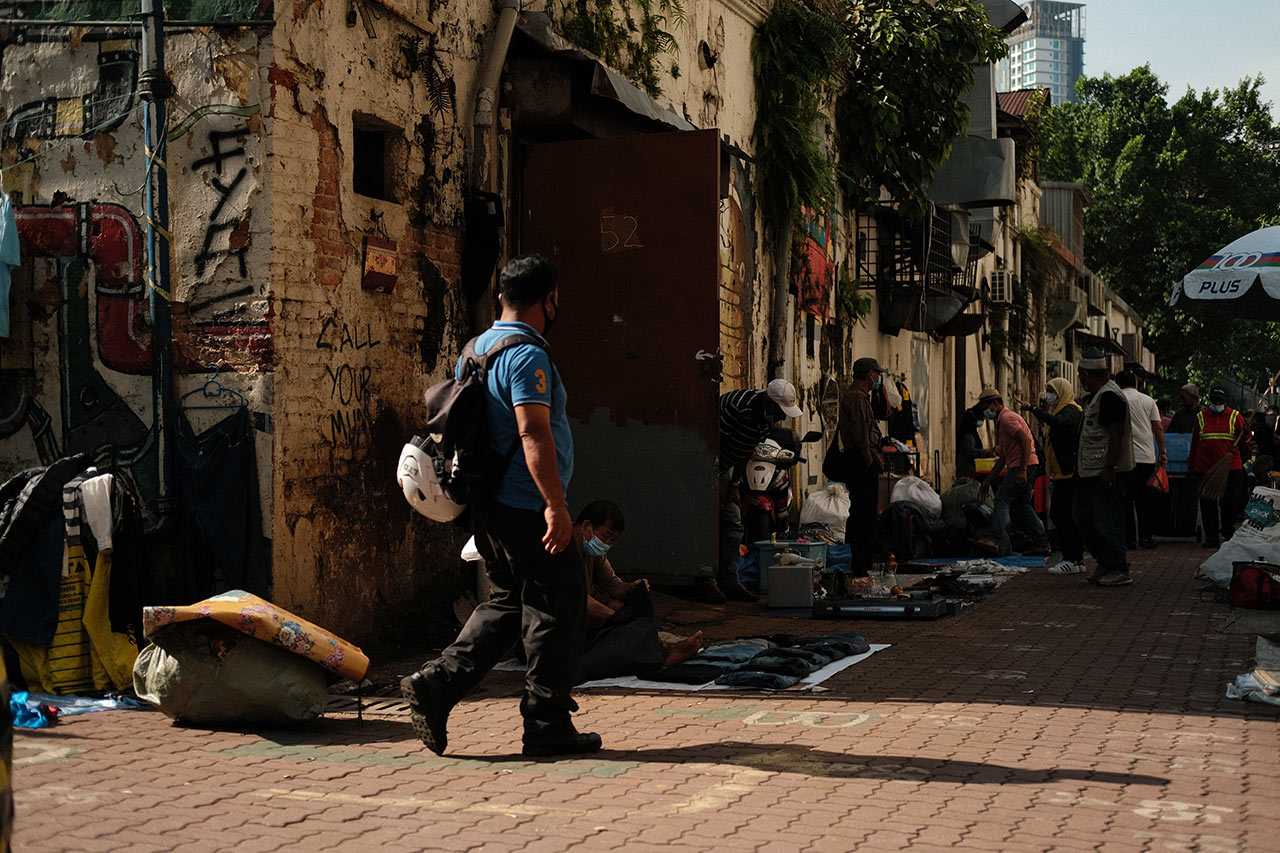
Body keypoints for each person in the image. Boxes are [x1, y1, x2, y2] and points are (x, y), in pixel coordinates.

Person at [401, 254, 601, 759]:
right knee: (559, 604)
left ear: (501, 298)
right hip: (524, 506)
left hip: (489, 507)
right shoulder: (526, 355)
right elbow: (532, 430)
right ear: (548, 299)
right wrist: (555, 506)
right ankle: (547, 724)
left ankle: (438, 685)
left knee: (510, 604)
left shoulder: (475, 350)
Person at [573, 500, 703, 680]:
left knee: (624, 605)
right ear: (586, 526)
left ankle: (660, 648)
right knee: (618, 619)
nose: (607, 543)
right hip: (560, 624)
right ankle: (662, 651)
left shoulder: (595, 554)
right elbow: (575, 599)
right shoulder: (563, 547)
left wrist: (631, 588)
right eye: (606, 536)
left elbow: (613, 585)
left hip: (579, 616)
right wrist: (615, 618)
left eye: (613, 540)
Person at [716, 379, 803, 603]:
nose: (782, 417)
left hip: (726, 469)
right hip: (708, 466)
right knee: (708, 522)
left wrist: (734, 485)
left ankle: (729, 580)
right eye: (780, 411)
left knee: (733, 520)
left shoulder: (765, 423)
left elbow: (745, 451)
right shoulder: (737, 407)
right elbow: (712, 442)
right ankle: (706, 580)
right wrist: (712, 484)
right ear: (768, 402)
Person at [1072, 348, 1134, 586]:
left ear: (1087, 373)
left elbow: (1116, 435)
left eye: (1080, 374)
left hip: (1103, 472)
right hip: (1088, 470)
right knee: (1083, 518)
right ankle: (1106, 561)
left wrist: (1109, 468)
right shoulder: (1096, 397)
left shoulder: (1109, 397)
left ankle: (1119, 566)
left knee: (1106, 520)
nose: (1079, 379)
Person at [971, 387, 1051, 556]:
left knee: (1002, 498)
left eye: (986, 406)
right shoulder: (1003, 422)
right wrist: (987, 481)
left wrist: (1022, 470)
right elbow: (1003, 458)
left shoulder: (1007, 419)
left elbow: (1026, 442)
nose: (986, 412)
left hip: (1023, 466)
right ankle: (1042, 543)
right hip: (1026, 465)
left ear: (994, 404)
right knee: (1022, 505)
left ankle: (994, 539)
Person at [1021, 377, 1085, 574]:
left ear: (1063, 392)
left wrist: (1034, 410)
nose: (1050, 395)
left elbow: (1058, 423)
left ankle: (1071, 559)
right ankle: (1076, 559)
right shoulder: (1060, 410)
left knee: (1061, 514)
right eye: (1048, 390)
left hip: (1069, 473)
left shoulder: (1071, 410)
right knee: (1063, 515)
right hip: (1060, 472)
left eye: (1053, 391)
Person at [833, 357, 885, 576]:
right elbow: (861, 436)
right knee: (863, 517)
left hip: (864, 461)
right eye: (876, 373)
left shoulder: (862, 396)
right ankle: (859, 565)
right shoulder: (855, 397)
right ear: (869, 374)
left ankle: (862, 562)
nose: (878, 378)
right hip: (861, 462)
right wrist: (870, 462)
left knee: (866, 515)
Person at [1189, 387, 1249, 549]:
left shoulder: (1235, 416)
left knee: (1231, 502)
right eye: (1214, 401)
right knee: (1208, 505)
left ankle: (1228, 531)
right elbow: (1195, 444)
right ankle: (1212, 538)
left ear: (1225, 401)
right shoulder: (1201, 417)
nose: (1217, 404)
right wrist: (1191, 466)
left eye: (1220, 401)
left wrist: (1246, 433)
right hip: (1206, 469)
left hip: (1230, 468)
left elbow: (1246, 441)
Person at [1116, 371, 1166, 550]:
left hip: (1124, 458)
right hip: (1146, 457)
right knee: (1145, 500)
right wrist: (1162, 452)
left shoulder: (1117, 399)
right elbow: (1158, 428)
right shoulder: (1148, 400)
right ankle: (1146, 537)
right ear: (1135, 383)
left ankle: (1129, 540)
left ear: (1118, 383)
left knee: (1125, 500)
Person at [956, 403, 994, 481]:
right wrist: (988, 451)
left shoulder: (971, 432)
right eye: (982, 419)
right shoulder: (969, 435)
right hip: (967, 472)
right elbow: (971, 452)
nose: (982, 421)